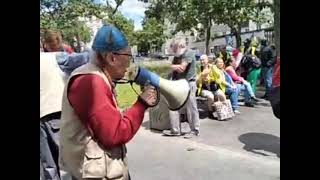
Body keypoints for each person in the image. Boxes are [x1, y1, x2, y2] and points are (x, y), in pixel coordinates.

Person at [59, 25, 157, 180]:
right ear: (112, 57)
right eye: (128, 56)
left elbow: (106, 120)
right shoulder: (90, 82)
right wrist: (141, 105)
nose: (129, 64)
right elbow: (113, 134)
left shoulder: (95, 76)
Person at [40, 51, 89, 180]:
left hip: (41, 118)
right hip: (56, 113)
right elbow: (86, 58)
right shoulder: (54, 58)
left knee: (48, 165)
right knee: (73, 159)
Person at [162, 37, 200, 138]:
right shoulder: (177, 56)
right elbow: (173, 69)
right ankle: (175, 130)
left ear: (181, 46)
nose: (173, 51)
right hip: (178, 83)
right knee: (173, 106)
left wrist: (168, 66)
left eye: (175, 48)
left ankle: (194, 130)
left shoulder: (189, 53)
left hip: (189, 83)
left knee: (191, 107)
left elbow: (182, 68)